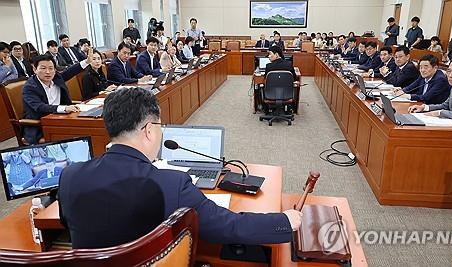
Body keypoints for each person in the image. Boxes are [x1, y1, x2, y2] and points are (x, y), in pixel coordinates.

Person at [57, 87, 303, 249]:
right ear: (150, 130)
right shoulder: (172, 184)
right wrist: (283, 220)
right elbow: (229, 227)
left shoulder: (70, 176)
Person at [22, 52, 92, 144]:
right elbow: (40, 107)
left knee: (88, 128)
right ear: (35, 69)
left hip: (61, 119)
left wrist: (87, 61)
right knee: (79, 135)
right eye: (43, 68)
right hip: (40, 125)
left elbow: (70, 71)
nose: (48, 72)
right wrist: (64, 108)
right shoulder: (30, 87)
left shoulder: (56, 78)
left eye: (51, 68)